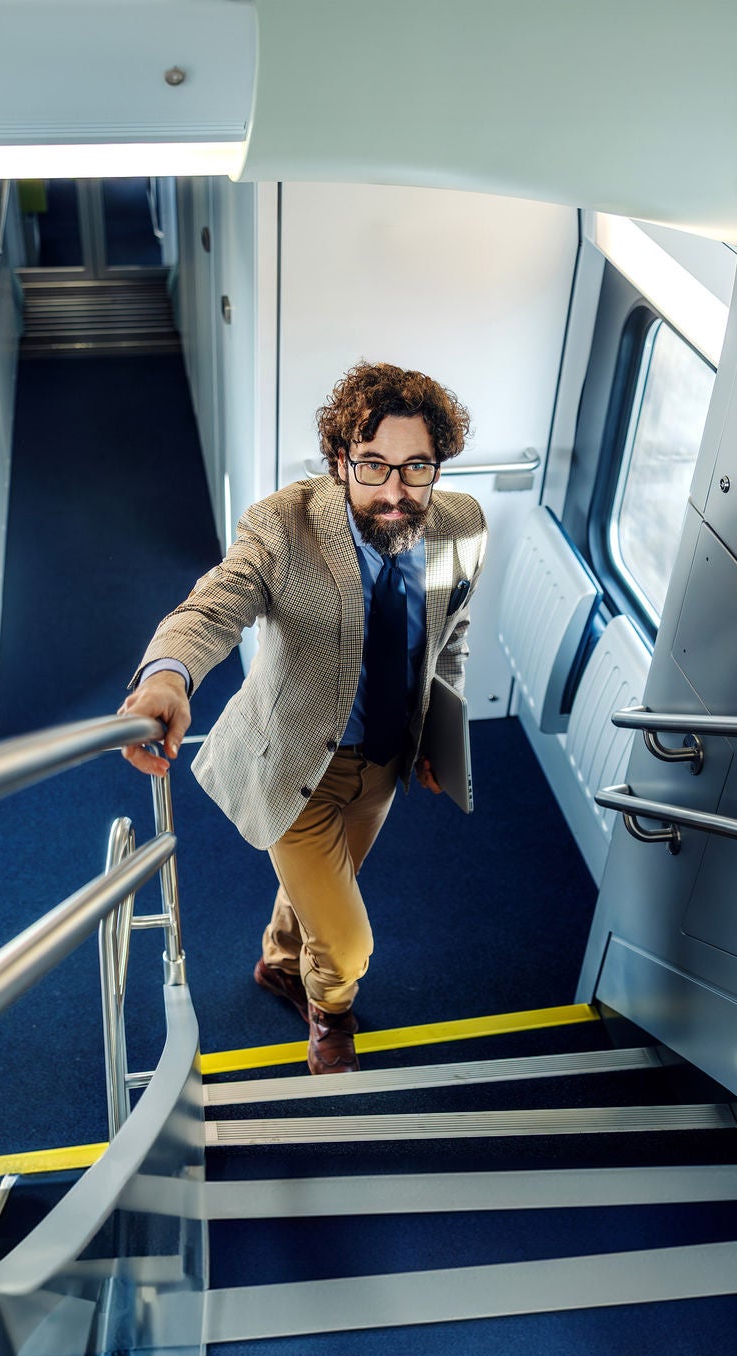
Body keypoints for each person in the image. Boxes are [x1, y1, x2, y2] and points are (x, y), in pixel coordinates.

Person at [118, 362, 487, 1075]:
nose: (395, 490)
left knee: (320, 890)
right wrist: (168, 672)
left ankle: (281, 961)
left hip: (382, 760)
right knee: (348, 941)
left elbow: (451, 631)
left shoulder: (460, 525)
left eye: (417, 467)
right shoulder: (284, 526)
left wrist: (442, 729)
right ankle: (329, 1009)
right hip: (294, 762)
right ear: (339, 458)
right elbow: (213, 604)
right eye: (374, 464)